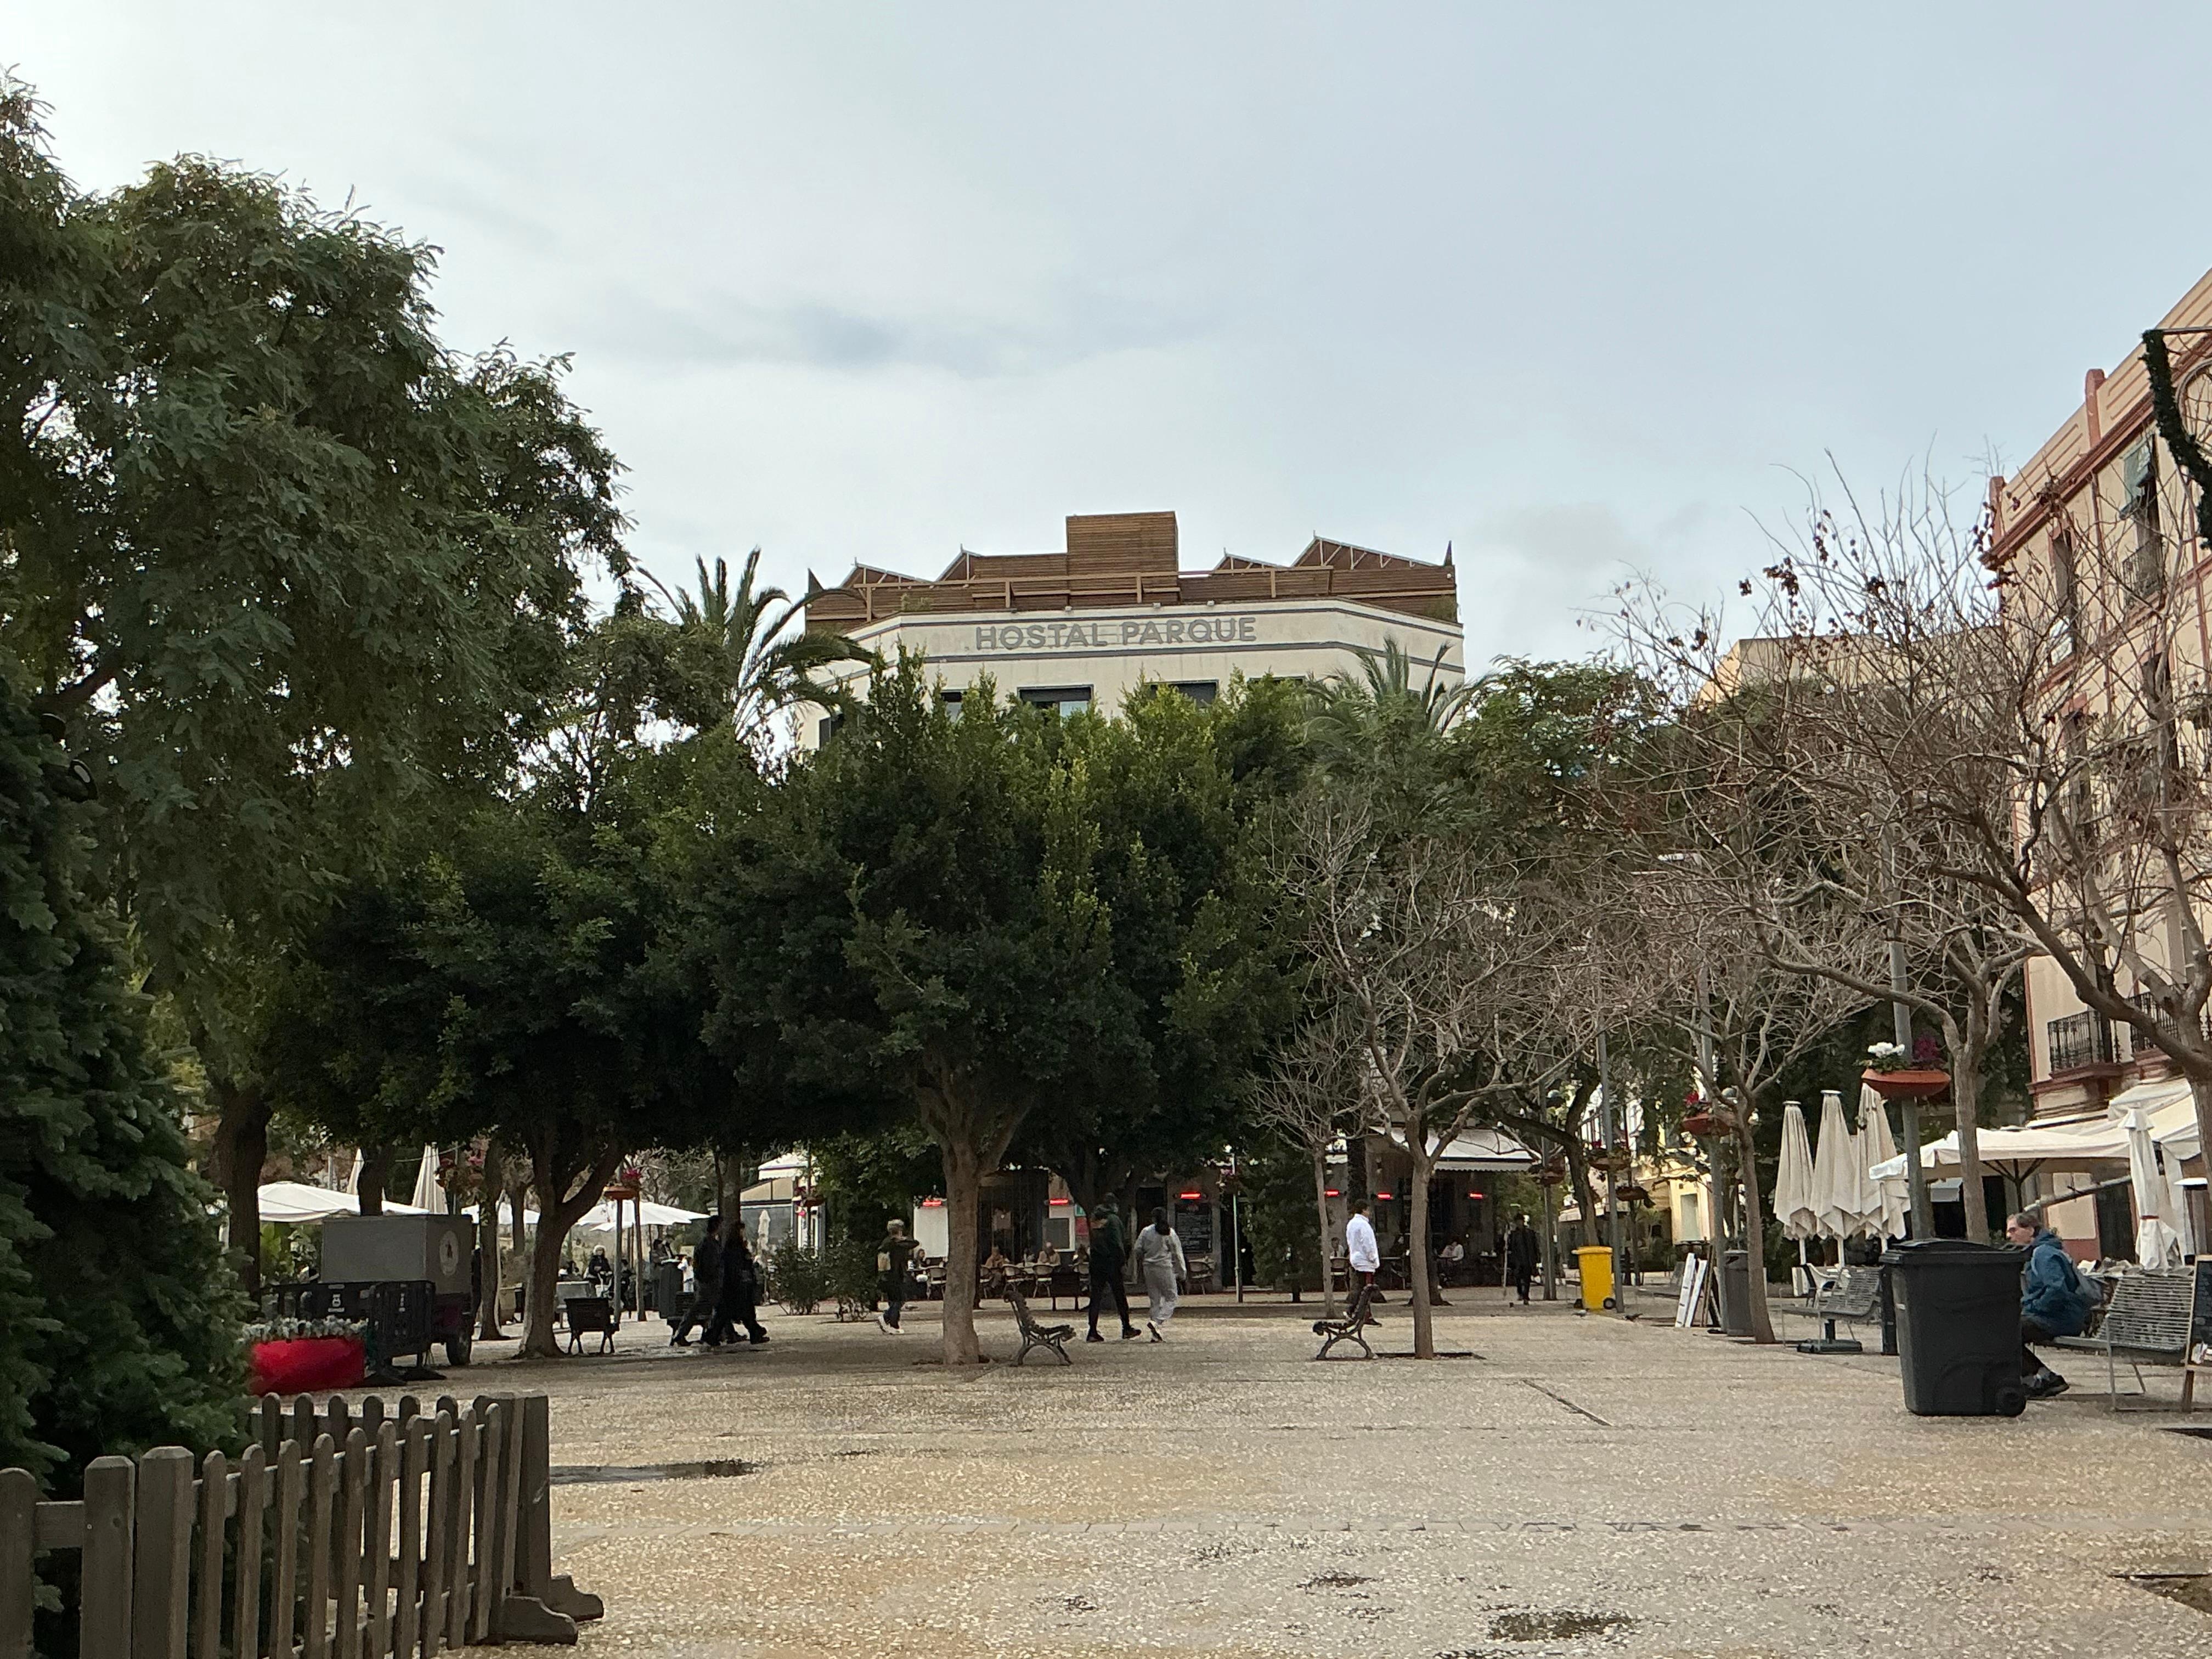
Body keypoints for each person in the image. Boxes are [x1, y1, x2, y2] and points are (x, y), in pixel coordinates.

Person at [2008, 1209, 2092, 1398]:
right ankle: (2038, 1377)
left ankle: (2044, 1378)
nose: (2009, 1236)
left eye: (2013, 1230)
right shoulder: (2042, 1251)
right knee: (2006, 1330)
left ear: (2030, 1230)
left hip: (2060, 1318)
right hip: (2058, 1315)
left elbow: (2057, 1290)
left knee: (2006, 1333)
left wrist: (2033, 1309)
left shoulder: (2044, 1254)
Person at [1131, 1206, 1188, 1341]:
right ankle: (1158, 1321)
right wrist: (1182, 1272)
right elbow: (1177, 1254)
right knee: (1172, 1297)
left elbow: (1137, 1249)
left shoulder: (1146, 1232)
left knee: (1155, 1300)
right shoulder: (1170, 1233)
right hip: (1165, 1268)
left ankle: (1156, 1334)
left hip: (1149, 1268)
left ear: (1153, 1218)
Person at [1086, 1199, 1139, 1342]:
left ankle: (1092, 1331)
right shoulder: (1114, 1220)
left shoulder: (1095, 1218)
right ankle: (1126, 1327)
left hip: (1096, 1263)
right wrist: (1123, 1261)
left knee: (1095, 1298)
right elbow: (1117, 1243)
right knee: (1120, 1296)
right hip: (1111, 1263)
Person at [670, 1218, 722, 1346]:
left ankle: (708, 1334)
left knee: (712, 1309)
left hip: (705, 1281)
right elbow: (711, 1264)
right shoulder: (709, 1245)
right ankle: (699, 1334)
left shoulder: (705, 1244)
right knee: (709, 1308)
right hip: (708, 1282)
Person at [718, 1220, 770, 1346]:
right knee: (743, 1311)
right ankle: (755, 1331)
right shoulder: (736, 1249)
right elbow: (739, 1266)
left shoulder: (733, 1247)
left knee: (737, 1312)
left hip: (738, 1284)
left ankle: (755, 1331)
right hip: (739, 1284)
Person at [877, 1219, 922, 1334]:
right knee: (898, 1300)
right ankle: (891, 1322)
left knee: (897, 1300)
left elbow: (914, 1243)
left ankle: (890, 1320)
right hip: (894, 1276)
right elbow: (914, 1243)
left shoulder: (888, 1243)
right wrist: (902, 1240)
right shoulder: (894, 1244)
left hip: (889, 1275)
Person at [1345, 1198, 1380, 1312]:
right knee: (1366, 1289)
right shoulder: (1364, 1225)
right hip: (1365, 1261)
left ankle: (1360, 1311)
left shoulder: (1351, 1224)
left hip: (1356, 1258)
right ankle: (1360, 1312)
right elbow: (1368, 1244)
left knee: (1361, 1287)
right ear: (1364, 1210)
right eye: (1368, 1210)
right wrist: (1373, 1259)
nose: (1369, 1213)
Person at [1504, 1213, 1540, 1307]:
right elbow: (1510, 1247)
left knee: (1527, 1279)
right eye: (1518, 1222)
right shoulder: (1513, 1235)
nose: (1519, 1223)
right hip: (1518, 1260)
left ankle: (1526, 1296)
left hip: (1528, 1260)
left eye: (1520, 1221)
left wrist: (1536, 1259)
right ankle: (1520, 1292)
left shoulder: (1530, 1233)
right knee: (1518, 1278)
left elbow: (1535, 1247)